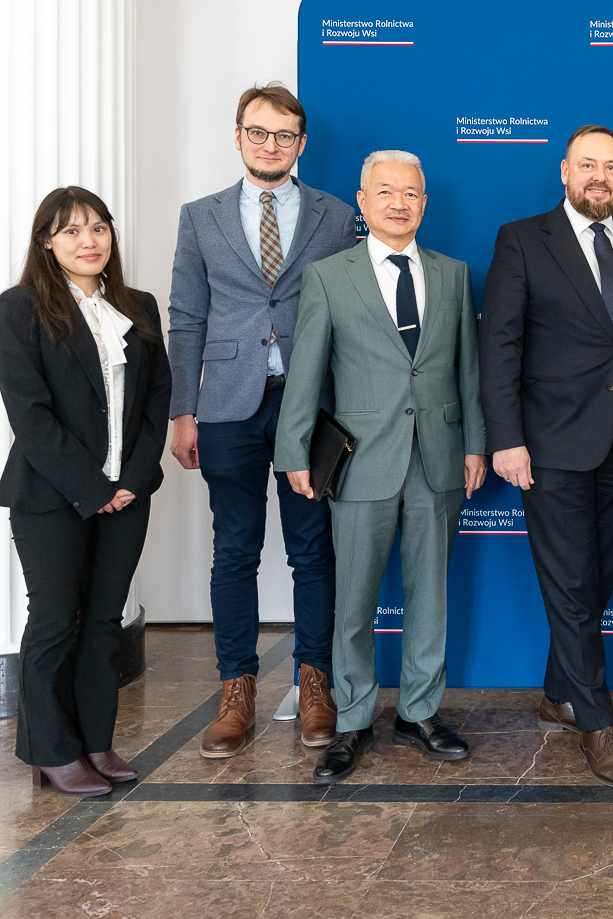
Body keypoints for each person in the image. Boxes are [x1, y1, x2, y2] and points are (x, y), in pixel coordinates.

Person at [276, 150, 486, 784]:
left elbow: (468, 370)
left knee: (430, 595)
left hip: (438, 458)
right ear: (362, 203)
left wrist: (475, 444)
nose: (399, 203)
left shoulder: (453, 273)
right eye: (386, 192)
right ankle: (353, 720)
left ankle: (420, 713)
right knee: (354, 600)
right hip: (361, 459)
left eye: (411, 193)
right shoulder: (328, 276)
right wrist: (293, 450)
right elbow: (306, 370)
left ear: (425, 203)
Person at [480, 125, 613, 789]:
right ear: (564, 171)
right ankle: (596, 723)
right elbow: (499, 346)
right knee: (569, 584)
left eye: (612, 167)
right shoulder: (522, 239)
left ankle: (558, 694)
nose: (600, 176)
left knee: (593, 579)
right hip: (549, 443)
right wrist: (506, 438)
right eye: (588, 164)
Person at [168, 83, 357, 757]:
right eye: (258, 132)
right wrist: (182, 410)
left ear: (301, 144)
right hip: (226, 403)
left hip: (309, 402)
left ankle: (315, 684)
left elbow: (349, 313)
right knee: (235, 549)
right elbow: (186, 316)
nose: (270, 144)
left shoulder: (336, 216)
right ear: (238, 136)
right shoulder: (201, 217)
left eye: (283, 135)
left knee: (312, 547)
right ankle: (236, 690)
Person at [0, 187, 171, 796]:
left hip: (126, 495)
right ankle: (51, 751)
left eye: (99, 227)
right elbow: (30, 414)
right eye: (71, 231)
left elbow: (157, 400)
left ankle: (96, 741)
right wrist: (92, 487)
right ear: (47, 242)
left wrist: (132, 481)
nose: (89, 241)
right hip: (52, 494)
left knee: (103, 622)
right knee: (54, 620)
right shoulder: (19, 308)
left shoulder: (139, 306)